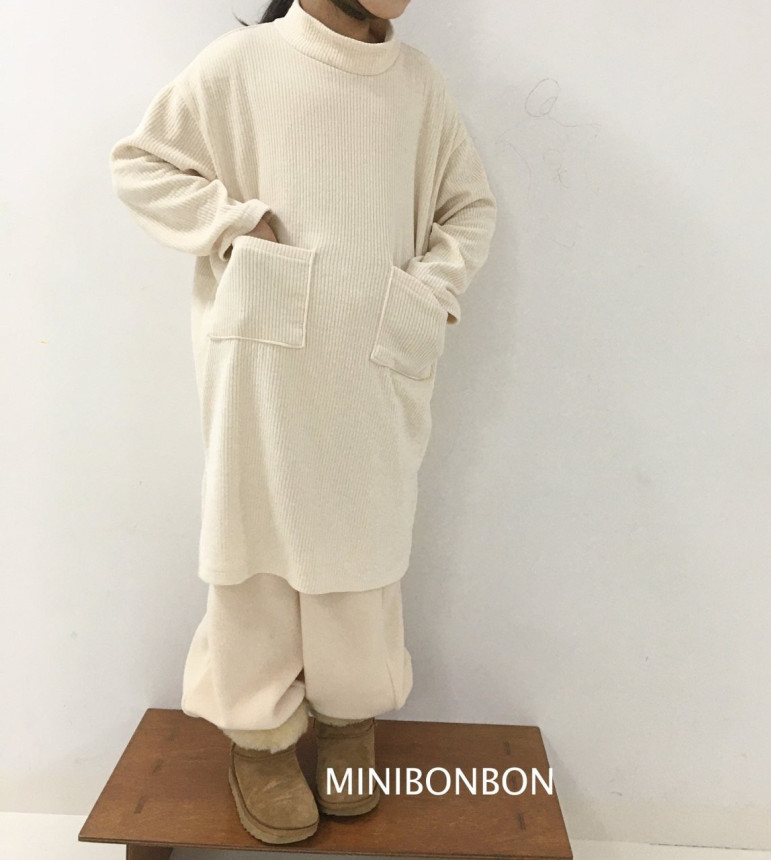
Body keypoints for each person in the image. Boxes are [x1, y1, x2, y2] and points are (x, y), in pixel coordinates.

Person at [108, 0, 497, 845]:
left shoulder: (418, 86)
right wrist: (236, 225)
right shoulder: (240, 66)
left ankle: (350, 718)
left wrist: (427, 292)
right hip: (262, 364)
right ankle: (259, 736)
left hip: (375, 369)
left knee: (363, 539)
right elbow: (140, 163)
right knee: (254, 535)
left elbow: (469, 208)